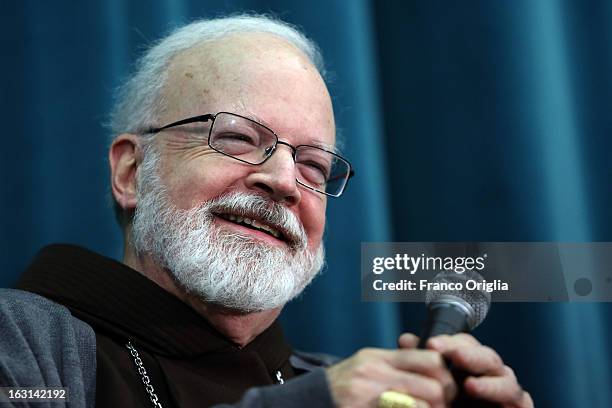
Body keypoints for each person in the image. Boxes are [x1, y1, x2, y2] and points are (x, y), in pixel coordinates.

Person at [0, 14, 532, 408]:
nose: (283, 182)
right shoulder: (24, 343)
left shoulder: (351, 387)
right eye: (235, 137)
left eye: (314, 166)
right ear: (131, 172)